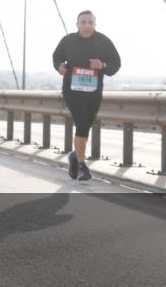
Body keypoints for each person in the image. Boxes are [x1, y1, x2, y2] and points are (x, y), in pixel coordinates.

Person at [52, 10, 121, 181]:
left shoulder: (103, 41)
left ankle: (75, 156)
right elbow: (56, 57)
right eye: (83, 22)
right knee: (81, 122)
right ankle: (82, 166)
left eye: (90, 22)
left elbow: (116, 64)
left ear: (95, 24)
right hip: (72, 90)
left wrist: (102, 65)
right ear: (77, 24)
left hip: (93, 92)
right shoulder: (68, 40)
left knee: (85, 127)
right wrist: (59, 66)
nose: (87, 25)